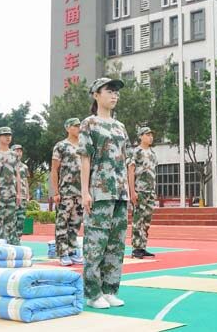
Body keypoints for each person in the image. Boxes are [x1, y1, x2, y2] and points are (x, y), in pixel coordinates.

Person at [78, 77, 134, 309]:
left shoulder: (120, 126)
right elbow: (84, 158)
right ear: (96, 95)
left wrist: (129, 190)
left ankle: (110, 289)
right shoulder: (89, 124)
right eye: (109, 91)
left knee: (116, 244)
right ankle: (93, 293)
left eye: (116, 92)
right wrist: (85, 192)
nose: (114, 95)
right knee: (95, 243)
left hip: (120, 192)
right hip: (99, 191)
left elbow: (126, 159)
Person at [51, 118, 84, 266]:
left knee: (75, 223)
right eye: (75, 126)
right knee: (62, 222)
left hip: (80, 192)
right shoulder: (61, 146)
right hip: (65, 191)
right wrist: (55, 192)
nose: (78, 128)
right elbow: (54, 170)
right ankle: (63, 253)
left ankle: (72, 251)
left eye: (79, 126)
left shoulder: (84, 146)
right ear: (68, 128)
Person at [128, 126, 158, 259]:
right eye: (147, 135)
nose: (150, 137)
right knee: (138, 220)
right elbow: (131, 171)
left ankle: (143, 246)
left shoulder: (152, 154)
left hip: (150, 191)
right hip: (139, 190)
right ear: (140, 136)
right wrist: (132, 191)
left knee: (146, 220)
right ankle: (136, 248)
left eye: (151, 135)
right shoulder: (136, 152)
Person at [0, 127, 22, 245]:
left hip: (11, 193)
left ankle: (11, 246)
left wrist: (19, 193)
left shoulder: (14, 155)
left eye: (9, 135)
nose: (8, 137)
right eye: (5, 135)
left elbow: (17, 174)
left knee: (11, 222)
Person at [12, 144, 30, 241]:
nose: (18, 153)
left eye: (20, 151)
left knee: (21, 219)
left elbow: (26, 181)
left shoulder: (24, 167)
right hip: (12, 195)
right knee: (12, 219)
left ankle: (18, 239)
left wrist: (28, 195)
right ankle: (10, 239)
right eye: (16, 151)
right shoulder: (9, 165)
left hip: (22, 196)